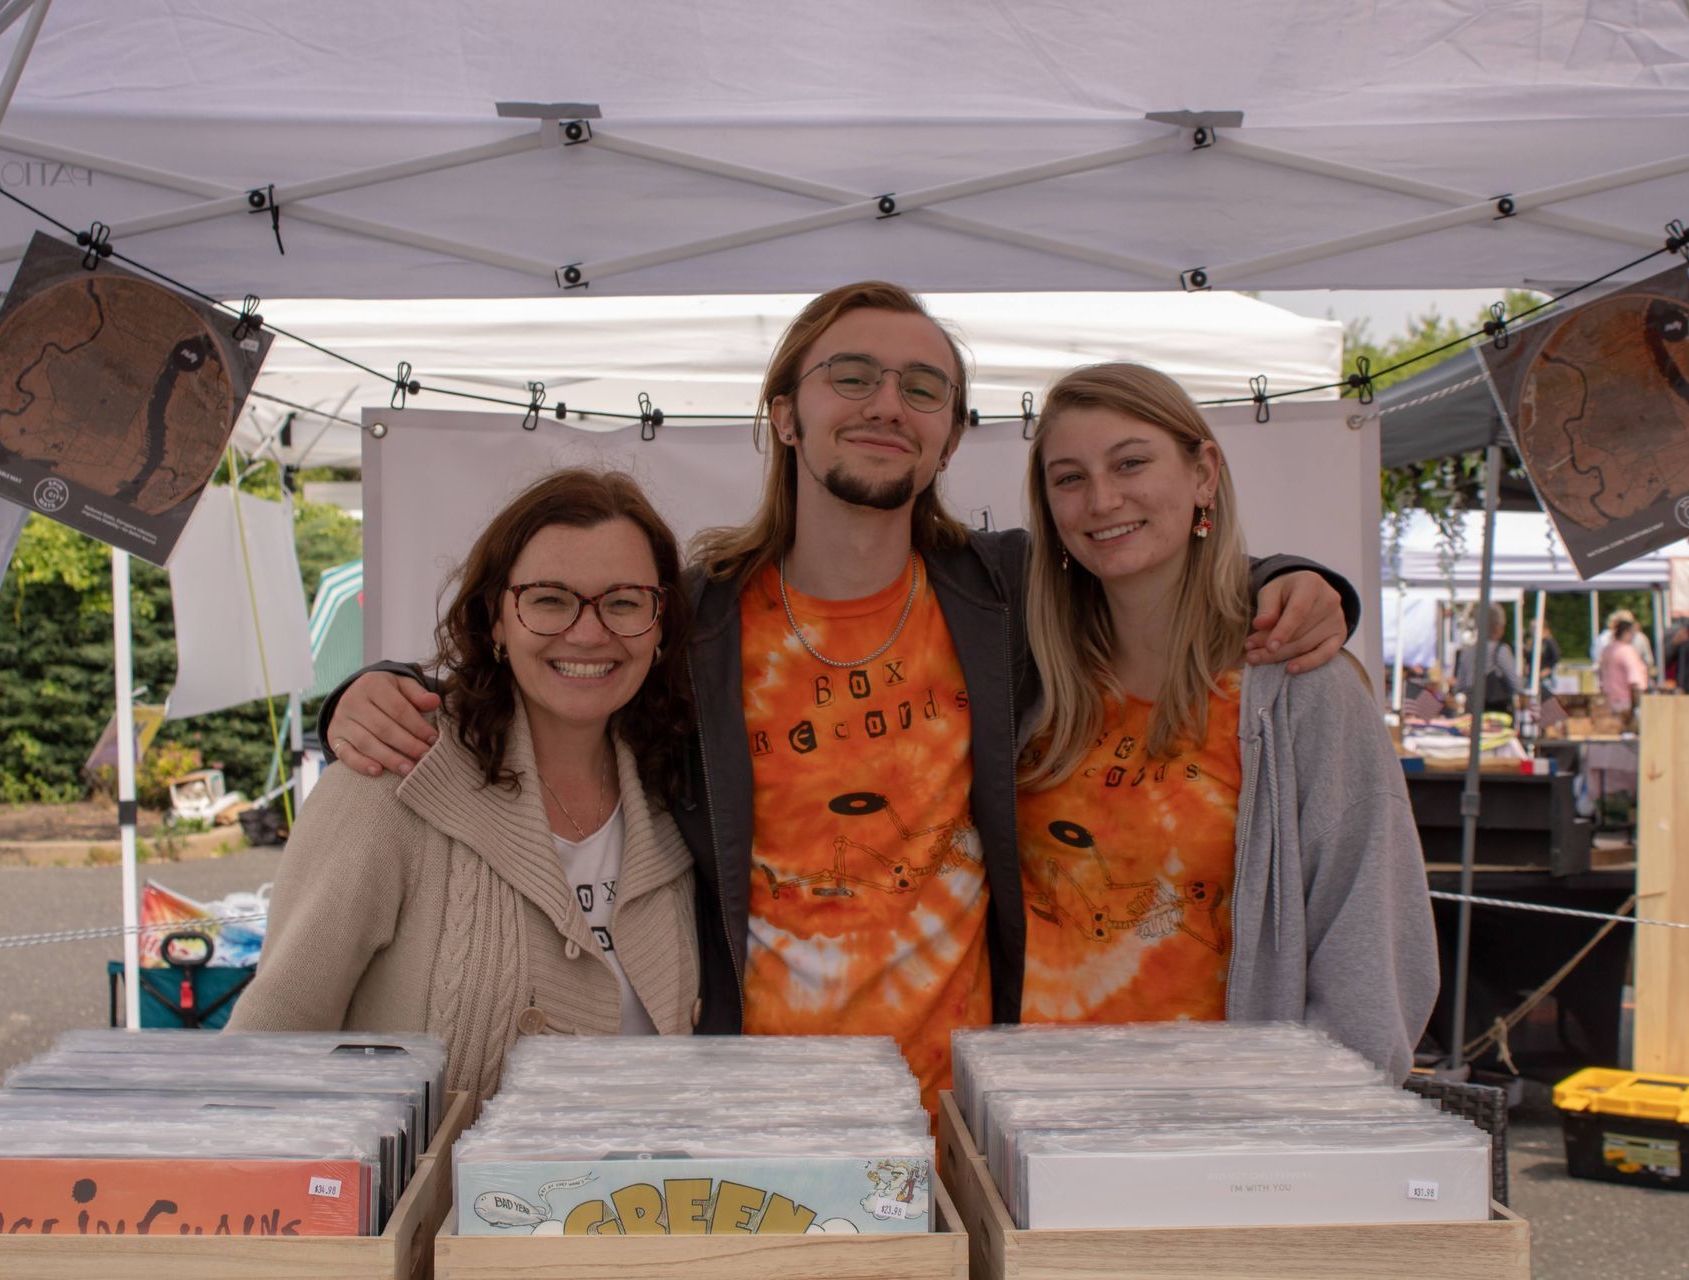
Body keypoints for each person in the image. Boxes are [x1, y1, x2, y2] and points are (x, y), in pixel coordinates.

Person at [319, 282, 1358, 1108]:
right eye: (851, 376)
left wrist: (1297, 581)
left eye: (923, 387)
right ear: (785, 414)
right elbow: (561, 658)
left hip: (970, 1123)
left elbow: (1149, 562)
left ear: (951, 434)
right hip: (760, 1115)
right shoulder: (700, 617)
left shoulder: (1007, 593)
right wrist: (379, 690)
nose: (886, 404)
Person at [1012, 363, 1436, 1080]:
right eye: (1070, 478)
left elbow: (1371, 966)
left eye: (1130, 463)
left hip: (1224, 1124)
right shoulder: (1032, 679)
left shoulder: (1301, 686)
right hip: (1033, 1110)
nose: (1102, 499)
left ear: (1204, 473)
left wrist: (1296, 1126)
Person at [230, 470, 701, 1098]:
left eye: (623, 602)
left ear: (661, 621)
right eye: (549, 599)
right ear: (495, 620)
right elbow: (266, 1050)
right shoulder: (392, 782)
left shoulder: (682, 791)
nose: (589, 632)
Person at [1448, 603, 1519, 714]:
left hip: (1472, 709)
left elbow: (1460, 685)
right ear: (1497, 627)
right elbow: (1515, 683)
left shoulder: (1467, 652)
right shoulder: (1500, 650)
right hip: (1496, 711)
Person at [1597, 616, 1650, 716]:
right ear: (1626, 633)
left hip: (1608, 700)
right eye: (1632, 633)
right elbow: (1635, 682)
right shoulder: (1627, 651)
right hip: (1625, 703)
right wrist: (1637, 707)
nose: (1633, 637)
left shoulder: (1607, 650)